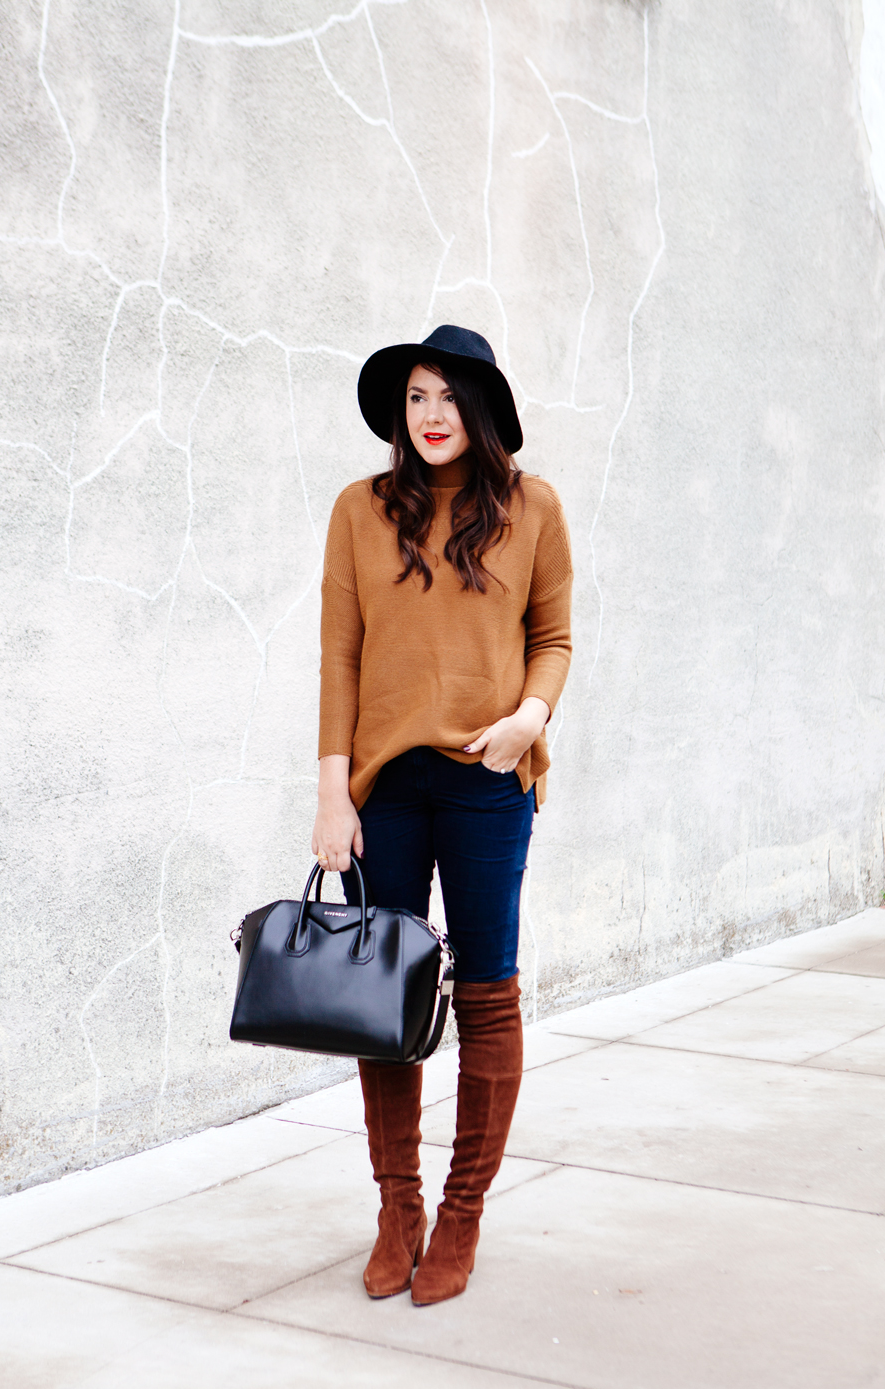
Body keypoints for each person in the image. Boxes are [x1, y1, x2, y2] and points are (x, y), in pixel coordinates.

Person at [312, 325, 572, 1305]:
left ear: (484, 413)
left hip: (487, 780)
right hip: (387, 788)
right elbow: (339, 654)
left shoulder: (531, 507)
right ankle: (397, 1208)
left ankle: (461, 1212)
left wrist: (528, 720)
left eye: (450, 398)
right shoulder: (358, 510)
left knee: (487, 992)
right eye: (418, 396)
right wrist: (332, 789)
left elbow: (552, 635)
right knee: (385, 999)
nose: (431, 415)